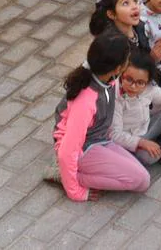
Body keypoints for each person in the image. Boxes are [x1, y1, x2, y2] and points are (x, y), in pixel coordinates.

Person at [52, 31, 149, 201]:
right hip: (83, 149)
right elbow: (68, 150)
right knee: (140, 180)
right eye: (127, 60)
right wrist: (77, 192)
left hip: (101, 140)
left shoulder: (106, 78)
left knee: (142, 175)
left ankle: (72, 172)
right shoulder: (86, 100)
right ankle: (65, 175)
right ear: (118, 68)